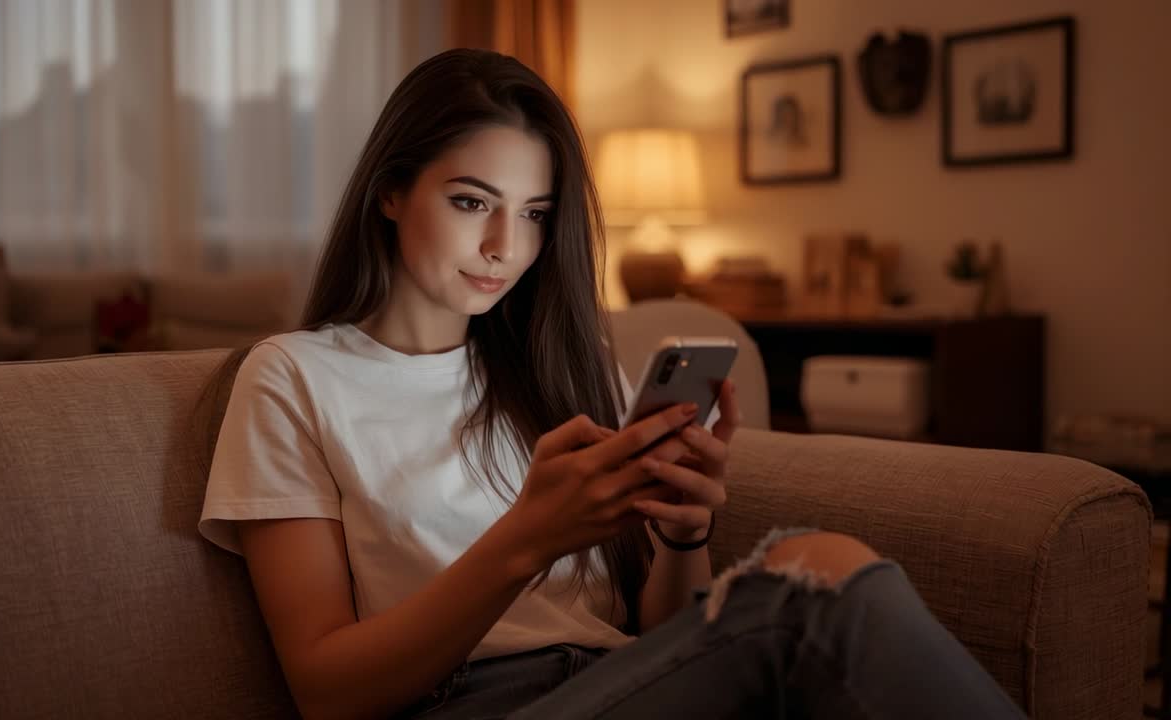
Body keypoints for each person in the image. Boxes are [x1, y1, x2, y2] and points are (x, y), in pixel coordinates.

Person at [196, 49, 1026, 719]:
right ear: (388, 191)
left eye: (532, 213)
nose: (503, 246)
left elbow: (659, 631)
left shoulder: (565, 361)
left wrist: (686, 532)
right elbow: (326, 690)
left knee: (823, 574)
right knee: (811, 580)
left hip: (626, 680)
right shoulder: (293, 377)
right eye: (470, 200)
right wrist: (527, 536)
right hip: (475, 704)